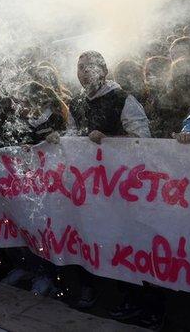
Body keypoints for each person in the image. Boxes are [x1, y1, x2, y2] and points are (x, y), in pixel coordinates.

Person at [67, 51, 153, 322]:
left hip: (124, 189)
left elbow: (144, 141)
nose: (83, 73)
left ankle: (148, 307)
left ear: (103, 69)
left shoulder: (122, 99)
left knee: (130, 244)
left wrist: (110, 141)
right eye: (79, 68)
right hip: (92, 189)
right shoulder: (76, 104)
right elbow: (73, 137)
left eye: (89, 67)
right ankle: (111, 293)